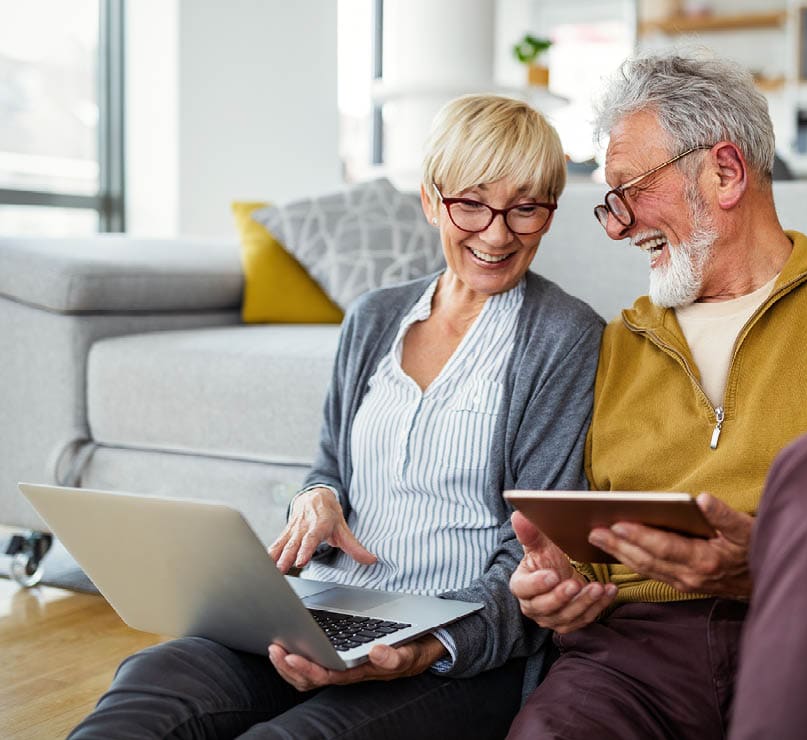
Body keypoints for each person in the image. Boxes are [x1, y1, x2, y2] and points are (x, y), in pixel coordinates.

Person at [68, 94, 603, 739]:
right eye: (472, 203)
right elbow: (329, 463)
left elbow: (531, 551)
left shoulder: (565, 337)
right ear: (432, 200)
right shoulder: (375, 316)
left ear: (549, 213)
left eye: (525, 209)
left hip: (453, 648)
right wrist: (316, 497)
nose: (497, 233)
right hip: (321, 610)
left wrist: (423, 648)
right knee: (153, 686)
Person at [507, 51, 807, 740]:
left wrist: (765, 566)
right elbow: (592, 547)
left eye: (631, 190)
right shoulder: (614, 343)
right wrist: (559, 588)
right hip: (635, 657)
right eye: (610, 201)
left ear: (724, 171)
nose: (620, 226)